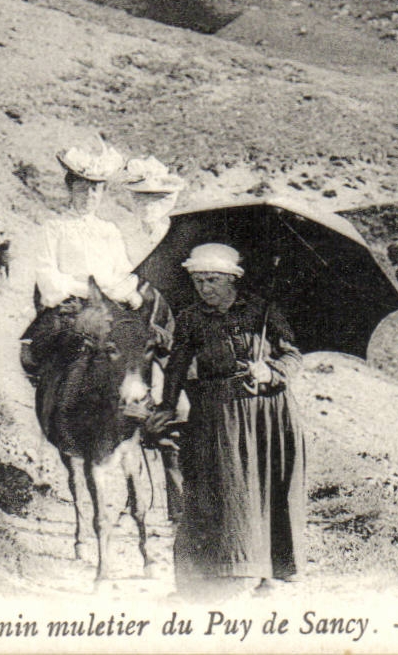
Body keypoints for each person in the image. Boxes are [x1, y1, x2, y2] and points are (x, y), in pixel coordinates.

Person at [148, 243, 306, 597]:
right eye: (199, 281)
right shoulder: (190, 318)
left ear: (233, 280)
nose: (205, 288)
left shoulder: (263, 312)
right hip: (216, 414)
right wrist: (166, 405)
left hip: (267, 413)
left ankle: (269, 573)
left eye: (213, 280)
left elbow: (292, 354)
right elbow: (175, 366)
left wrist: (270, 370)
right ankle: (214, 572)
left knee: (265, 489)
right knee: (223, 489)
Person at [19, 140, 145, 382]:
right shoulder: (55, 228)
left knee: (140, 350)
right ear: (70, 189)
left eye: (95, 190)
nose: (89, 196)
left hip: (111, 306)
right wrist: (84, 291)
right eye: (82, 188)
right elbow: (47, 275)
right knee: (69, 353)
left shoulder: (110, 230)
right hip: (72, 307)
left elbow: (124, 272)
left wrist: (125, 292)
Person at [122, 155, 188, 520]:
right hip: (134, 345)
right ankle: (131, 506)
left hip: (173, 346)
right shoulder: (125, 243)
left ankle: (181, 515)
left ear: (172, 201)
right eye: (143, 198)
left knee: (174, 419)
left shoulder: (182, 242)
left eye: (160, 199)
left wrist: (164, 334)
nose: (150, 206)